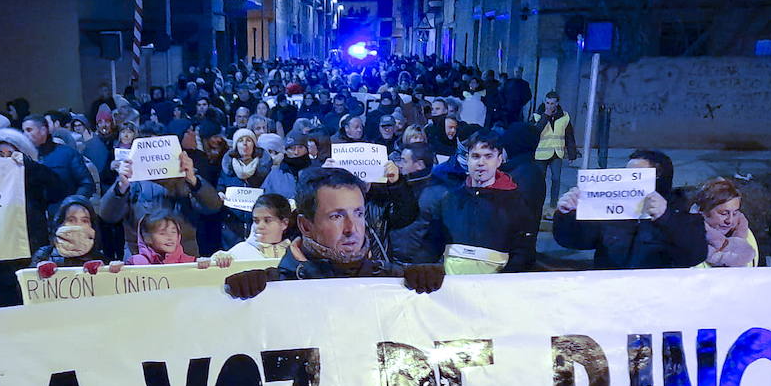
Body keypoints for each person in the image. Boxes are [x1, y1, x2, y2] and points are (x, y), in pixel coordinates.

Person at [222, 167, 444, 296]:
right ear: (305, 226)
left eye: (358, 213)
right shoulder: (274, 287)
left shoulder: (392, 278)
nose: (352, 229)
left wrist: (421, 283)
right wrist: (243, 302)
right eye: (336, 216)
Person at [552, 149, 707, 270]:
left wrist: (666, 218)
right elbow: (575, 241)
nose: (628, 180)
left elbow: (694, 255)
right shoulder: (610, 207)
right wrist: (566, 215)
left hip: (658, 294)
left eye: (636, 176)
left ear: (659, 178)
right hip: (612, 290)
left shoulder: (683, 210)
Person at [421, 132, 536, 274]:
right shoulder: (449, 199)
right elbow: (431, 244)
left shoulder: (515, 202)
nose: (481, 162)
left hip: (496, 289)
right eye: (475, 156)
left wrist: (502, 282)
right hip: (452, 288)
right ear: (467, 160)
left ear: (499, 160)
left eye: (488, 156)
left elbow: (524, 251)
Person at [97, 151, 223, 257]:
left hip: (183, 258)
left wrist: (194, 181)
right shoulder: (131, 182)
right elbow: (108, 215)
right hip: (140, 260)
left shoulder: (186, 179)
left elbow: (213, 206)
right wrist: (120, 186)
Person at [22, 113, 93, 203]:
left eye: (29, 130)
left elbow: (86, 184)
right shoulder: (24, 158)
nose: (24, 135)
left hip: (65, 210)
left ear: (43, 130)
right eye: (23, 131)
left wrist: (74, 204)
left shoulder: (67, 153)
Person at [531, 91, 579, 208]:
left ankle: (553, 204)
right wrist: (545, 116)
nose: (549, 106)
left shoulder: (564, 117)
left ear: (557, 103)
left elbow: (569, 136)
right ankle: (538, 203)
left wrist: (572, 154)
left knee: (556, 179)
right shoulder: (537, 116)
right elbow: (535, 132)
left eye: (552, 103)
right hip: (541, 154)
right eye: (547, 103)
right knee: (540, 181)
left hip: (557, 152)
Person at [696, 177, 758, 267]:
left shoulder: (746, 235)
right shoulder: (688, 238)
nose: (730, 220)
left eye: (735, 213)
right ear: (704, 212)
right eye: (723, 213)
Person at [32, 196, 107, 267]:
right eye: (71, 220)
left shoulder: (99, 259)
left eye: (84, 221)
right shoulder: (44, 254)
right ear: (61, 223)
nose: (78, 225)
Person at [228, 193, 294, 260]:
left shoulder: (294, 252)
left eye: (267, 221)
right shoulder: (239, 252)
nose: (259, 226)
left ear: (284, 223)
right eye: (256, 221)